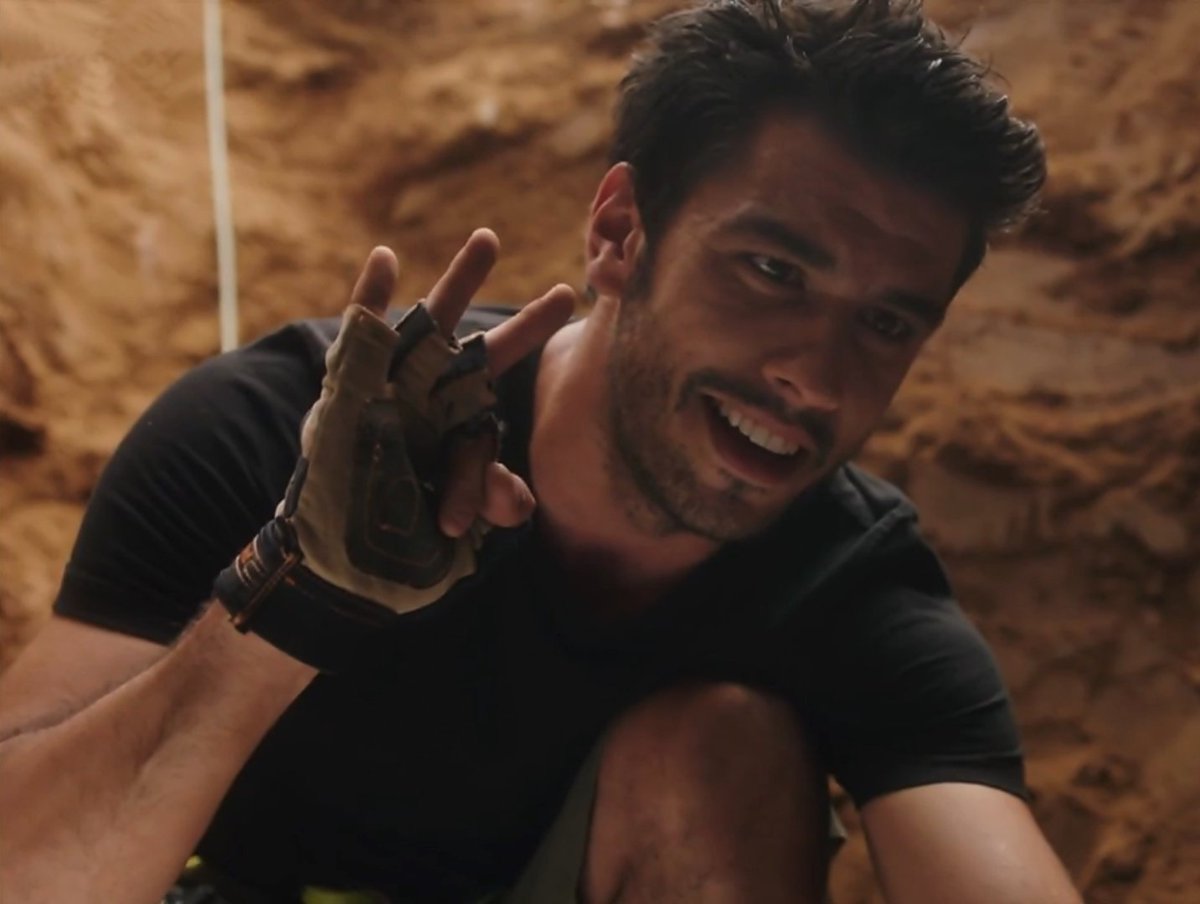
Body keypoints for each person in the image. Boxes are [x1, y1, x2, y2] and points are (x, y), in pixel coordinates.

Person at [0, 1, 1083, 901]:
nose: (819, 375)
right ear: (620, 233)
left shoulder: (851, 586)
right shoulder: (261, 426)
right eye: (772, 271)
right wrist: (287, 601)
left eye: (886, 323)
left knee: (721, 748)